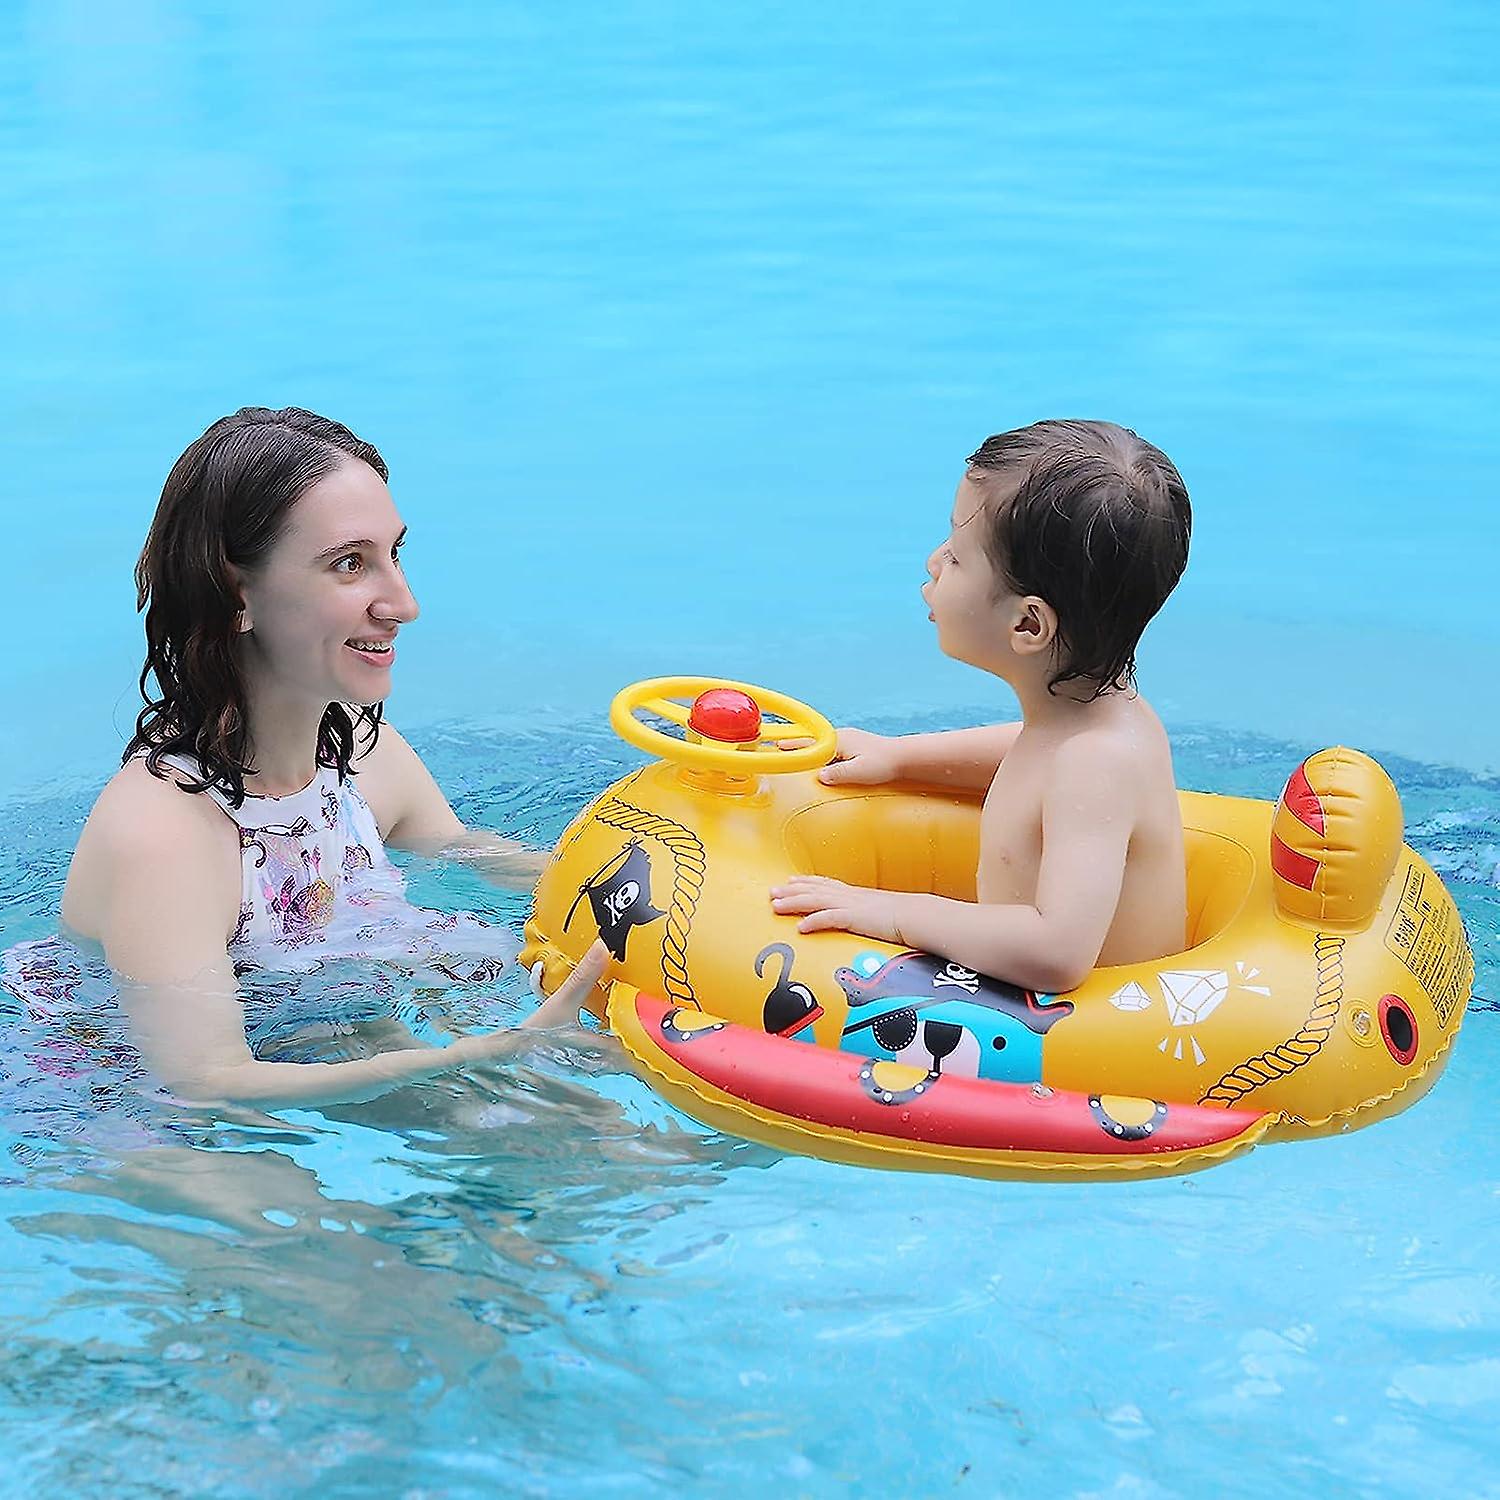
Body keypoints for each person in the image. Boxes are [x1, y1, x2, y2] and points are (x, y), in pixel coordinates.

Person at [59, 406, 607, 1107]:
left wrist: (679, 887)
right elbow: (206, 1082)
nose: (403, 604)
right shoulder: (163, 836)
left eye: (394, 554)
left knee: (601, 1131)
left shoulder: (362, 755)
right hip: (127, 1108)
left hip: (322, 1027)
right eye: (351, 564)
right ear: (237, 595)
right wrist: (487, 1052)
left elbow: (482, 860)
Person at [771, 419, 1192, 995]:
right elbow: (1031, 755)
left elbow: (1056, 953)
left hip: (1100, 1034)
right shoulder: (1090, 724)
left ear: (1028, 624)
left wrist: (891, 912)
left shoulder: (1098, 763)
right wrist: (899, 757)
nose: (933, 561)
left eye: (957, 556)